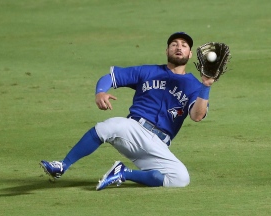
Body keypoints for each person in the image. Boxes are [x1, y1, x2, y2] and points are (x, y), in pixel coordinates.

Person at [40, 32, 215, 191]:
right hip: (133, 130)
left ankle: (123, 173)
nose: (179, 47)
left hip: (159, 146)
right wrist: (100, 92)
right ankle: (62, 165)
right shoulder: (148, 71)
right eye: (174, 44)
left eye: (184, 45)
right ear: (167, 50)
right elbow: (111, 77)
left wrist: (206, 87)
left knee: (180, 178)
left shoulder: (194, 86)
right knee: (109, 126)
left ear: (190, 54)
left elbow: (197, 116)